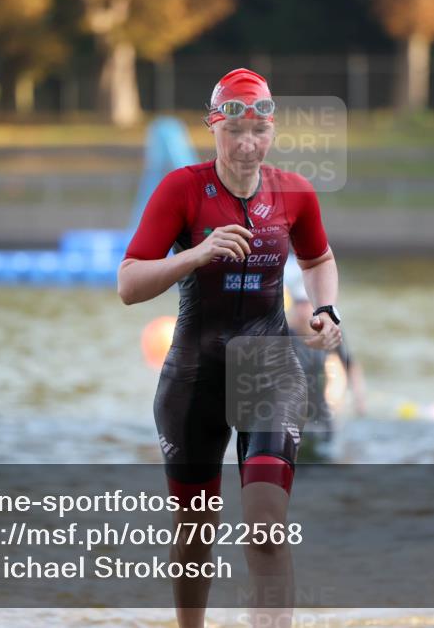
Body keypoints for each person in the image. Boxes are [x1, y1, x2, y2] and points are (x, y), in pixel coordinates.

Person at [118, 68, 341, 628]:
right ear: (213, 128)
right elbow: (128, 284)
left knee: (266, 524)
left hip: (267, 366)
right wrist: (196, 254)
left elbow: (317, 260)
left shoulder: (294, 192)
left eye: (259, 132)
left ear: (272, 131)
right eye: (233, 131)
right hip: (194, 373)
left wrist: (324, 309)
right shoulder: (182, 190)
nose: (247, 145)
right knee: (195, 538)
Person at [283, 260, 365, 461]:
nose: (303, 310)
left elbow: (349, 364)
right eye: (300, 304)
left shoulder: (328, 333)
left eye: (307, 305)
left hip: (320, 411)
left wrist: (359, 397)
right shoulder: (283, 334)